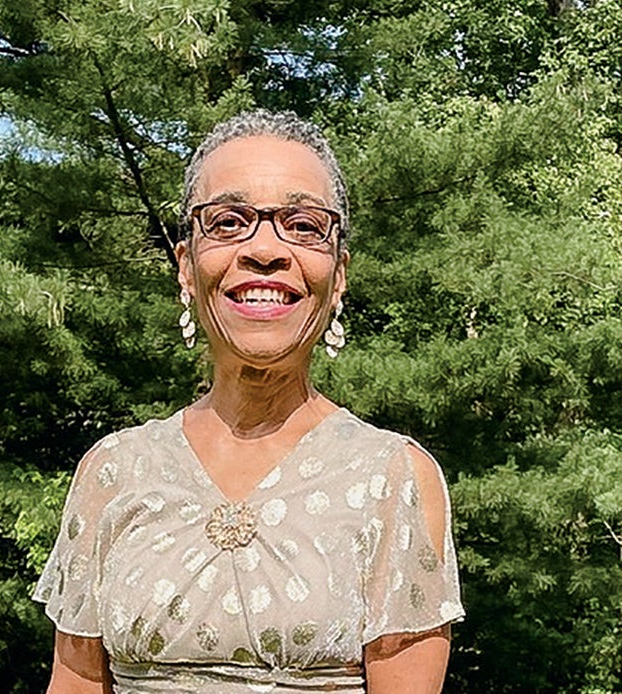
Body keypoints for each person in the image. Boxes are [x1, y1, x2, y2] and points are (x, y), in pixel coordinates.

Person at [33, 109, 464, 693]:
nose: (265, 249)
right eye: (230, 221)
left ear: (337, 276)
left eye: (304, 225)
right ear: (187, 266)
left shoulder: (394, 480)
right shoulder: (113, 473)